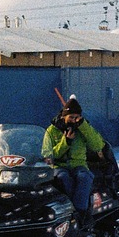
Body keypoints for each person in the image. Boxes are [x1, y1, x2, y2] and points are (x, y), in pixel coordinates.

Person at [42, 96, 107, 229]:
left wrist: (83, 127)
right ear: (64, 116)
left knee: (84, 177)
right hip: (59, 166)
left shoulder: (83, 128)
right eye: (71, 117)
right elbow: (49, 154)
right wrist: (66, 142)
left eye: (76, 117)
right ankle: (71, 211)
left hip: (79, 164)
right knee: (63, 178)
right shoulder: (52, 130)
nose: (73, 121)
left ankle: (80, 213)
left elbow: (97, 145)